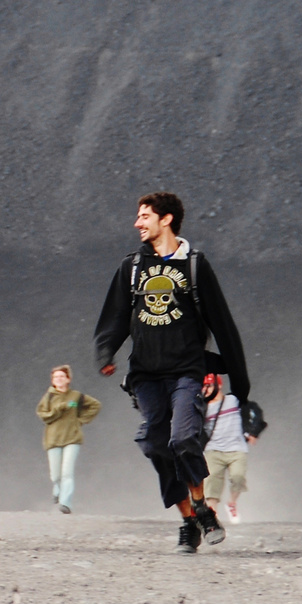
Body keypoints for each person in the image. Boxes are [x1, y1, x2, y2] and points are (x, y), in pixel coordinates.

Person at [94, 191, 252, 555]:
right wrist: (106, 352)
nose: (137, 222)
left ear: (166, 220)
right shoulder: (131, 267)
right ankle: (189, 521)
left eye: (144, 216)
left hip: (186, 372)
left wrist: (240, 383)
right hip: (145, 375)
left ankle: (201, 508)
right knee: (154, 444)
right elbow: (115, 318)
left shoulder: (195, 266)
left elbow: (222, 324)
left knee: (182, 439)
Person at [36, 365, 101, 513]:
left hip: (72, 438)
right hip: (53, 440)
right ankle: (57, 491)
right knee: (56, 475)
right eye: (55, 377)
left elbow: (95, 405)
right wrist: (59, 408)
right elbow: (43, 415)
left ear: (68, 379)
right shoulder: (49, 397)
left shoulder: (77, 396)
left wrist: (81, 420)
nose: (58, 379)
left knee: (67, 472)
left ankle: (66, 503)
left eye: (61, 377)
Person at [202, 374, 255, 523]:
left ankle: (232, 503)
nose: (206, 389)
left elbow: (250, 414)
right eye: (204, 386)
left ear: (219, 386)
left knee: (238, 477)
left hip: (237, 448)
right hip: (214, 449)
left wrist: (251, 431)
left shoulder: (233, 400)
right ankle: (213, 514)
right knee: (211, 480)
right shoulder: (202, 407)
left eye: (210, 385)